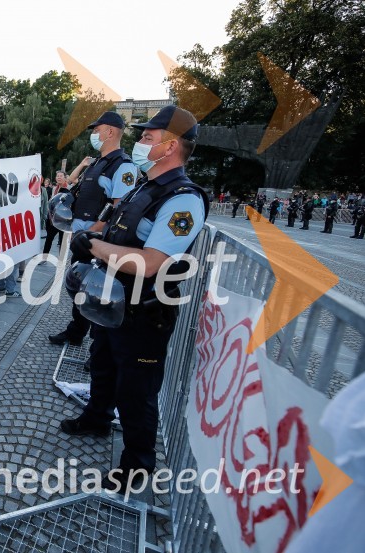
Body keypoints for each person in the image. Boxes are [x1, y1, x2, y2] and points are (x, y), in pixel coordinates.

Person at [59, 106, 208, 491]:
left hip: (145, 310)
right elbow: (118, 227)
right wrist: (95, 236)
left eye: (147, 137)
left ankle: (137, 467)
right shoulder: (146, 185)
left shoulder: (183, 199)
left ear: (170, 146)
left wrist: (94, 246)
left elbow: (151, 262)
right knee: (103, 364)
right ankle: (96, 417)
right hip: (113, 301)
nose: (139, 142)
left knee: (136, 391)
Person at [49, 112, 137, 346]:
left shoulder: (123, 166)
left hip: (98, 241)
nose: (94, 134)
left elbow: (119, 208)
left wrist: (92, 233)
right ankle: (76, 332)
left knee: (97, 291)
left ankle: (98, 346)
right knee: (80, 286)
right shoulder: (97, 163)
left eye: (97, 130)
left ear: (110, 132)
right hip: (82, 238)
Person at [42, 171, 70, 255]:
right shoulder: (54, 188)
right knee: (49, 238)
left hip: (64, 219)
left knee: (62, 241)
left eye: (61, 176)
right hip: (53, 218)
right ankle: (44, 257)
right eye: (57, 176)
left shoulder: (70, 188)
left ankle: (61, 259)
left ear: (65, 178)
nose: (59, 177)